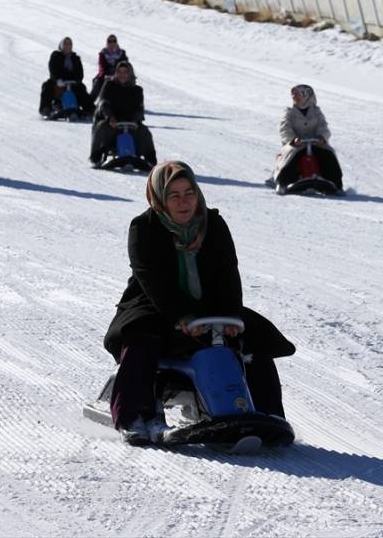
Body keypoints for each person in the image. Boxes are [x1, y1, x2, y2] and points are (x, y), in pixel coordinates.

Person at [103, 161, 295, 445]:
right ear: (159, 198)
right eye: (174, 195)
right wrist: (180, 316)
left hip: (208, 307)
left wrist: (230, 315)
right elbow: (151, 278)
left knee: (253, 338)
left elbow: (228, 272)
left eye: (189, 193)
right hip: (156, 306)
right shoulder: (144, 227)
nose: (184, 202)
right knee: (143, 336)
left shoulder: (213, 224)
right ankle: (134, 416)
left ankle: (268, 414)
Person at [274, 84, 343, 191]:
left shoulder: (316, 111)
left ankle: (336, 184)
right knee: (291, 157)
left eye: (298, 94)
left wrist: (322, 137)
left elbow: (323, 126)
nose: (294, 97)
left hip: (315, 143)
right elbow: (284, 128)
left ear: (306, 96)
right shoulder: (289, 112)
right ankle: (284, 183)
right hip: (296, 144)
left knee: (328, 155)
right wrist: (293, 139)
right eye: (293, 94)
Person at [89, 61, 156, 167]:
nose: (122, 75)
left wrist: (135, 120)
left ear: (130, 74)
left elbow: (139, 109)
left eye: (125, 72)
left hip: (131, 123)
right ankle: (96, 157)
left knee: (144, 131)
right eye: (119, 72)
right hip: (112, 123)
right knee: (101, 128)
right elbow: (104, 104)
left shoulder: (137, 90)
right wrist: (110, 117)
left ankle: (150, 160)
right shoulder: (110, 86)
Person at [38, 37, 94, 117]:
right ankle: (46, 109)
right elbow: (53, 69)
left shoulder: (75, 58)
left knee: (81, 88)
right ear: (61, 46)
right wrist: (58, 79)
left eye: (70, 44)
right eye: (65, 44)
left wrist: (76, 80)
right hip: (59, 83)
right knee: (47, 86)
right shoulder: (56, 56)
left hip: (73, 84)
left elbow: (80, 73)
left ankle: (90, 110)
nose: (68, 46)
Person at [89, 34, 128, 101]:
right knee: (97, 82)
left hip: (119, 74)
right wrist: (107, 75)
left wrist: (117, 74)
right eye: (110, 41)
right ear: (107, 43)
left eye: (114, 41)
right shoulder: (103, 53)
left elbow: (125, 65)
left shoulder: (122, 53)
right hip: (106, 74)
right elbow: (102, 66)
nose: (112, 43)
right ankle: (89, 104)